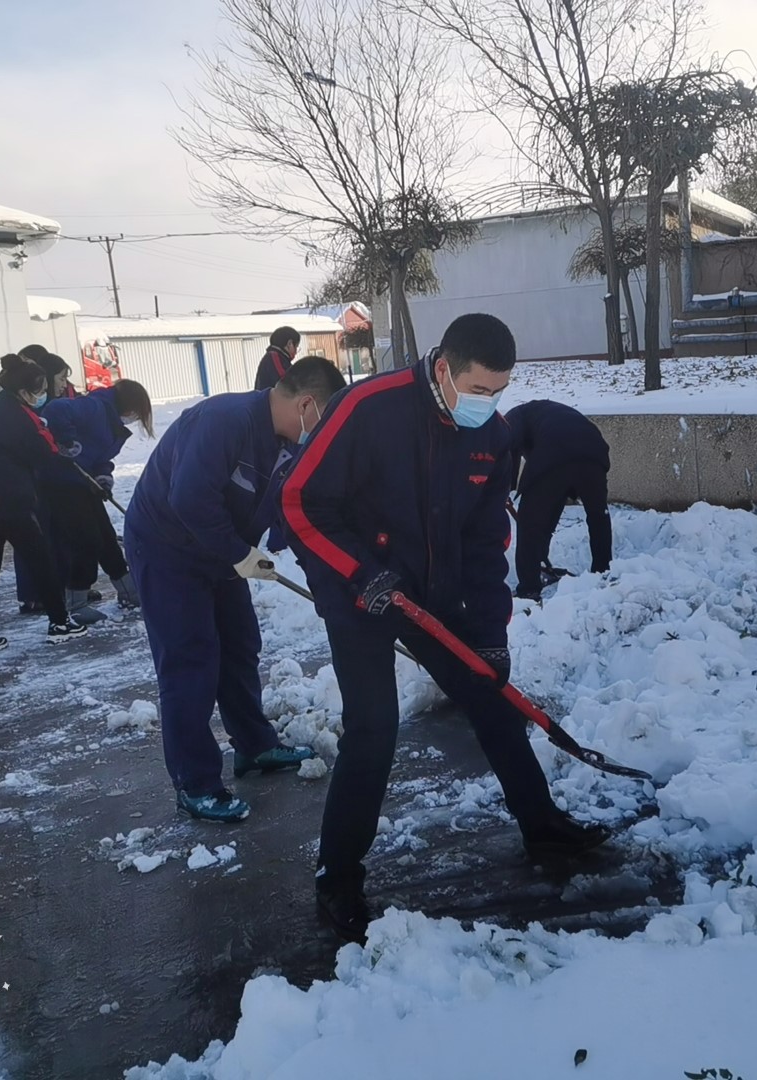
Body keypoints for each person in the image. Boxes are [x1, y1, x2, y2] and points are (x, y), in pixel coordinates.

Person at [281, 313, 611, 944]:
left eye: (500, 391)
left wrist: (490, 636)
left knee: (490, 697)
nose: (489, 403)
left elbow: (486, 542)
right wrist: (361, 573)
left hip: (434, 592)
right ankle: (338, 874)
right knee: (373, 728)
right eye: (479, 389)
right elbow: (300, 501)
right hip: (360, 592)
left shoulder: (494, 436)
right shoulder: (368, 408)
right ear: (443, 369)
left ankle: (542, 824)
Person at [125, 358, 346, 822]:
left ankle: (254, 746)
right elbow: (188, 498)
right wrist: (237, 552)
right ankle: (195, 783)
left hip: (221, 550)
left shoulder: (286, 443)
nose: (321, 433)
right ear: (306, 404)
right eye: (323, 420)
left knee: (240, 645)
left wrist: (325, 579)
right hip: (167, 549)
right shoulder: (224, 420)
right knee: (190, 659)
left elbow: (292, 512)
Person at [0, 355, 91, 658]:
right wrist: (63, 451)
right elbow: (43, 449)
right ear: (23, 390)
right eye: (39, 389)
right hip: (8, 502)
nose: (42, 395)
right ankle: (59, 622)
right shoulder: (16, 413)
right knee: (41, 560)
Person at [41, 379, 153, 613]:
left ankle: (129, 591)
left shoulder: (114, 425)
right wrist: (67, 440)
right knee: (86, 540)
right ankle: (76, 601)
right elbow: (56, 409)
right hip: (61, 483)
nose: (134, 418)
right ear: (128, 404)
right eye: (136, 411)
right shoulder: (95, 407)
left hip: (84, 483)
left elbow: (101, 458)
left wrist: (103, 477)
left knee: (106, 538)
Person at [502, 399, 612, 601]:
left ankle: (529, 587)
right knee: (598, 516)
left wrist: (506, 488)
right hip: (593, 453)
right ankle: (602, 573)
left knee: (530, 523)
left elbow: (508, 447)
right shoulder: (547, 412)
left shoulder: (516, 415)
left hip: (553, 453)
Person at [13, 349, 74, 617]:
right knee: (34, 538)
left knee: (60, 536)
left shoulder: (60, 402)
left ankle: (61, 587)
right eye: (60, 378)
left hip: (55, 480)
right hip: (32, 482)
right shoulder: (29, 407)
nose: (64, 384)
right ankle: (33, 595)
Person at [253, 326, 301, 392]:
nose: (296, 352)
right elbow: (285, 382)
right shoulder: (274, 357)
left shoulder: (278, 357)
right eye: (296, 347)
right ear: (289, 344)